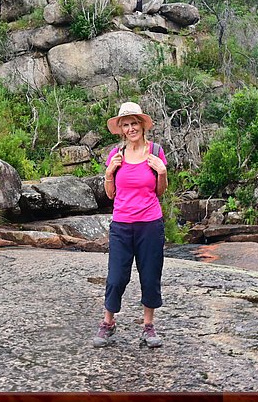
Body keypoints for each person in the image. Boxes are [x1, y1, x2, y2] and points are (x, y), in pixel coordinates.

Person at [93, 101, 168, 348]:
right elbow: (111, 194)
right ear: (121, 129)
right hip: (122, 225)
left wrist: (163, 173)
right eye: (125, 124)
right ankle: (108, 323)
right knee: (116, 277)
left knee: (149, 277)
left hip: (150, 224)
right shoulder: (116, 155)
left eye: (134, 123)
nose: (130, 128)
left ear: (142, 125)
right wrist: (108, 173)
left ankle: (148, 326)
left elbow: (160, 191)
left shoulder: (156, 151)